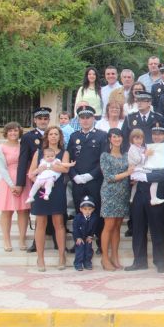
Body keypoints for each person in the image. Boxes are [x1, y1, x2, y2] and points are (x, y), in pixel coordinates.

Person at [125, 126, 164, 273]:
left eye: (160, 134)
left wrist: (145, 177)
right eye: (154, 134)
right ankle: (139, 261)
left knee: (157, 229)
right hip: (139, 192)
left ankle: (160, 261)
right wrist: (132, 177)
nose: (157, 137)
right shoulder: (142, 149)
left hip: (156, 193)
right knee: (138, 228)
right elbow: (132, 166)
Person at [28, 126, 70, 271]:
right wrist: (39, 183)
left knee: (59, 223)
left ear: (60, 137)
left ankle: (61, 256)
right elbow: (31, 173)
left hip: (57, 190)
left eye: (56, 134)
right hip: (41, 190)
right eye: (51, 134)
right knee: (41, 223)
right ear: (46, 137)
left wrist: (47, 168)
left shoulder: (65, 153)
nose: (53, 136)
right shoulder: (39, 152)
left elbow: (65, 169)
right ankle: (40, 258)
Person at [67, 105, 108, 254]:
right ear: (79, 119)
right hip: (78, 182)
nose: (85, 120)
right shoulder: (74, 136)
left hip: (94, 181)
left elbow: (103, 160)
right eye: (82, 118)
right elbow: (69, 159)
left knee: (96, 211)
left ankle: (100, 243)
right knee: (80, 213)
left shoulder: (102, 136)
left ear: (93, 118)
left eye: (88, 117)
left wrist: (90, 175)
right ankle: (79, 241)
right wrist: (74, 176)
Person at [16, 107, 52, 253]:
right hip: (36, 178)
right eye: (40, 119)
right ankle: (36, 242)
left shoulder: (55, 134)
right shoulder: (28, 137)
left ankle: (54, 237)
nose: (43, 121)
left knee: (54, 209)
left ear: (49, 120)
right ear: (35, 120)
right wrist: (20, 183)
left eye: (45, 119)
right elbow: (23, 160)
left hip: (54, 176)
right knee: (39, 209)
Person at [99, 128, 131, 271]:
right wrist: (127, 173)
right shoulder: (105, 156)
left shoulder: (126, 156)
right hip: (110, 193)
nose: (117, 139)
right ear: (110, 139)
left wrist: (132, 176)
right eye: (114, 137)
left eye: (119, 136)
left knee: (117, 226)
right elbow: (109, 177)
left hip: (123, 193)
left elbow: (130, 174)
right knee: (109, 225)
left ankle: (115, 257)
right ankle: (105, 258)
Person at [0, 122, 29, 251]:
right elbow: (2, 168)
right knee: (7, 211)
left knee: (23, 210)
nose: (13, 133)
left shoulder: (23, 147)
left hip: (23, 179)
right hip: (7, 181)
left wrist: (20, 184)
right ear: (6, 133)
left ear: (19, 132)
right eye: (10, 131)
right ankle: (6, 240)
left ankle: (22, 239)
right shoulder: (0, 148)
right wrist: (12, 185)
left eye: (15, 131)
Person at [127, 128, 162, 206]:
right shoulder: (132, 148)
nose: (139, 140)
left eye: (141, 138)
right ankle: (153, 198)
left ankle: (131, 199)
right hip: (136, 170)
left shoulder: (140, 148)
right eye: (136, 138)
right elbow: (137, 160)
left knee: (135, 185)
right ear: (132, 139)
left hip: (138, 170)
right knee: (155, 178)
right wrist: (145, 154)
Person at [72, 195, 97, 271]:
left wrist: (90, 236)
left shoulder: (94, 217)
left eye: (90, 209)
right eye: (85, 209)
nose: (87, 211)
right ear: (81, 209)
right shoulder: (77, 217)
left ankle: (87, 262)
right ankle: (78, 264)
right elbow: (75, 229)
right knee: (80, 248)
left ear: (93, 209)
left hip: (87, 236)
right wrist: (78, 238)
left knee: (88, 249)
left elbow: (93, 228)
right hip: (79, 236)